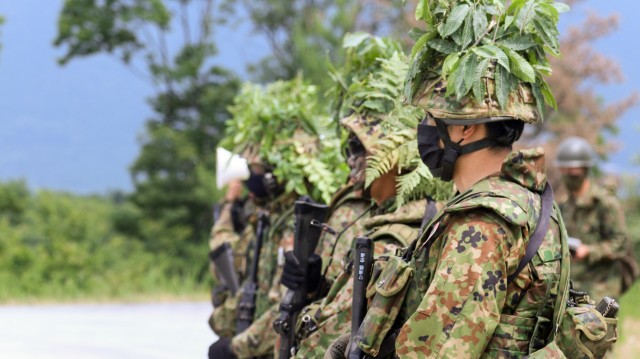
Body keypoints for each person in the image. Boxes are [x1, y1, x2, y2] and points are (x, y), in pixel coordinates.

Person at [349, 2, 571, 357]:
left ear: (465, 127)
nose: (424, 130)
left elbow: (436, 350)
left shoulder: (482, 223)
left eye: (431, 118)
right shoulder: (532, 199)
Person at [285, 36, 451, 358]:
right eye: (349, 149)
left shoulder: (396, 234)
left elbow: (339, 329)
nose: (351, 160)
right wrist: (314, 287)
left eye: (360, 148)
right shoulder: (382, 217)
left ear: (394, 159)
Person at [208, 77, 346, 359]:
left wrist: (237, 348)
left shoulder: (295, 226)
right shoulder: (269, 220)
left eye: (258, 170)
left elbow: (282, 305)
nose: (252, 179)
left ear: (277, 176)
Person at [556, 136, 638, 301]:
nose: (569, 175)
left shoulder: (604, 203)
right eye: (565, 170)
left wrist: (589, 251)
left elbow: (620, 243)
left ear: (585, 170)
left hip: (601, 287)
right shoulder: (565, 205)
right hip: (574, 285)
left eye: (573, 171)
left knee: (600, 327)